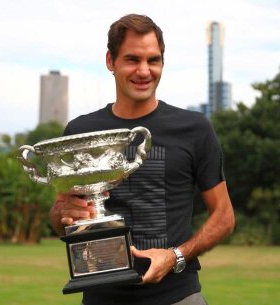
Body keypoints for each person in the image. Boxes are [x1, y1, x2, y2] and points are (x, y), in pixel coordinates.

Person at [49, 14, 235, 305]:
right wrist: (64, 214)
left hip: (177, 296)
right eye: (132, 59)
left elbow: (224, 217)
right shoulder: (81, 132)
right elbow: (62, 216)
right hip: (102, 297)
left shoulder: (194, 129)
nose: (144, 71)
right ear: (111, 61)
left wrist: (175, 256)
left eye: (154, 60)